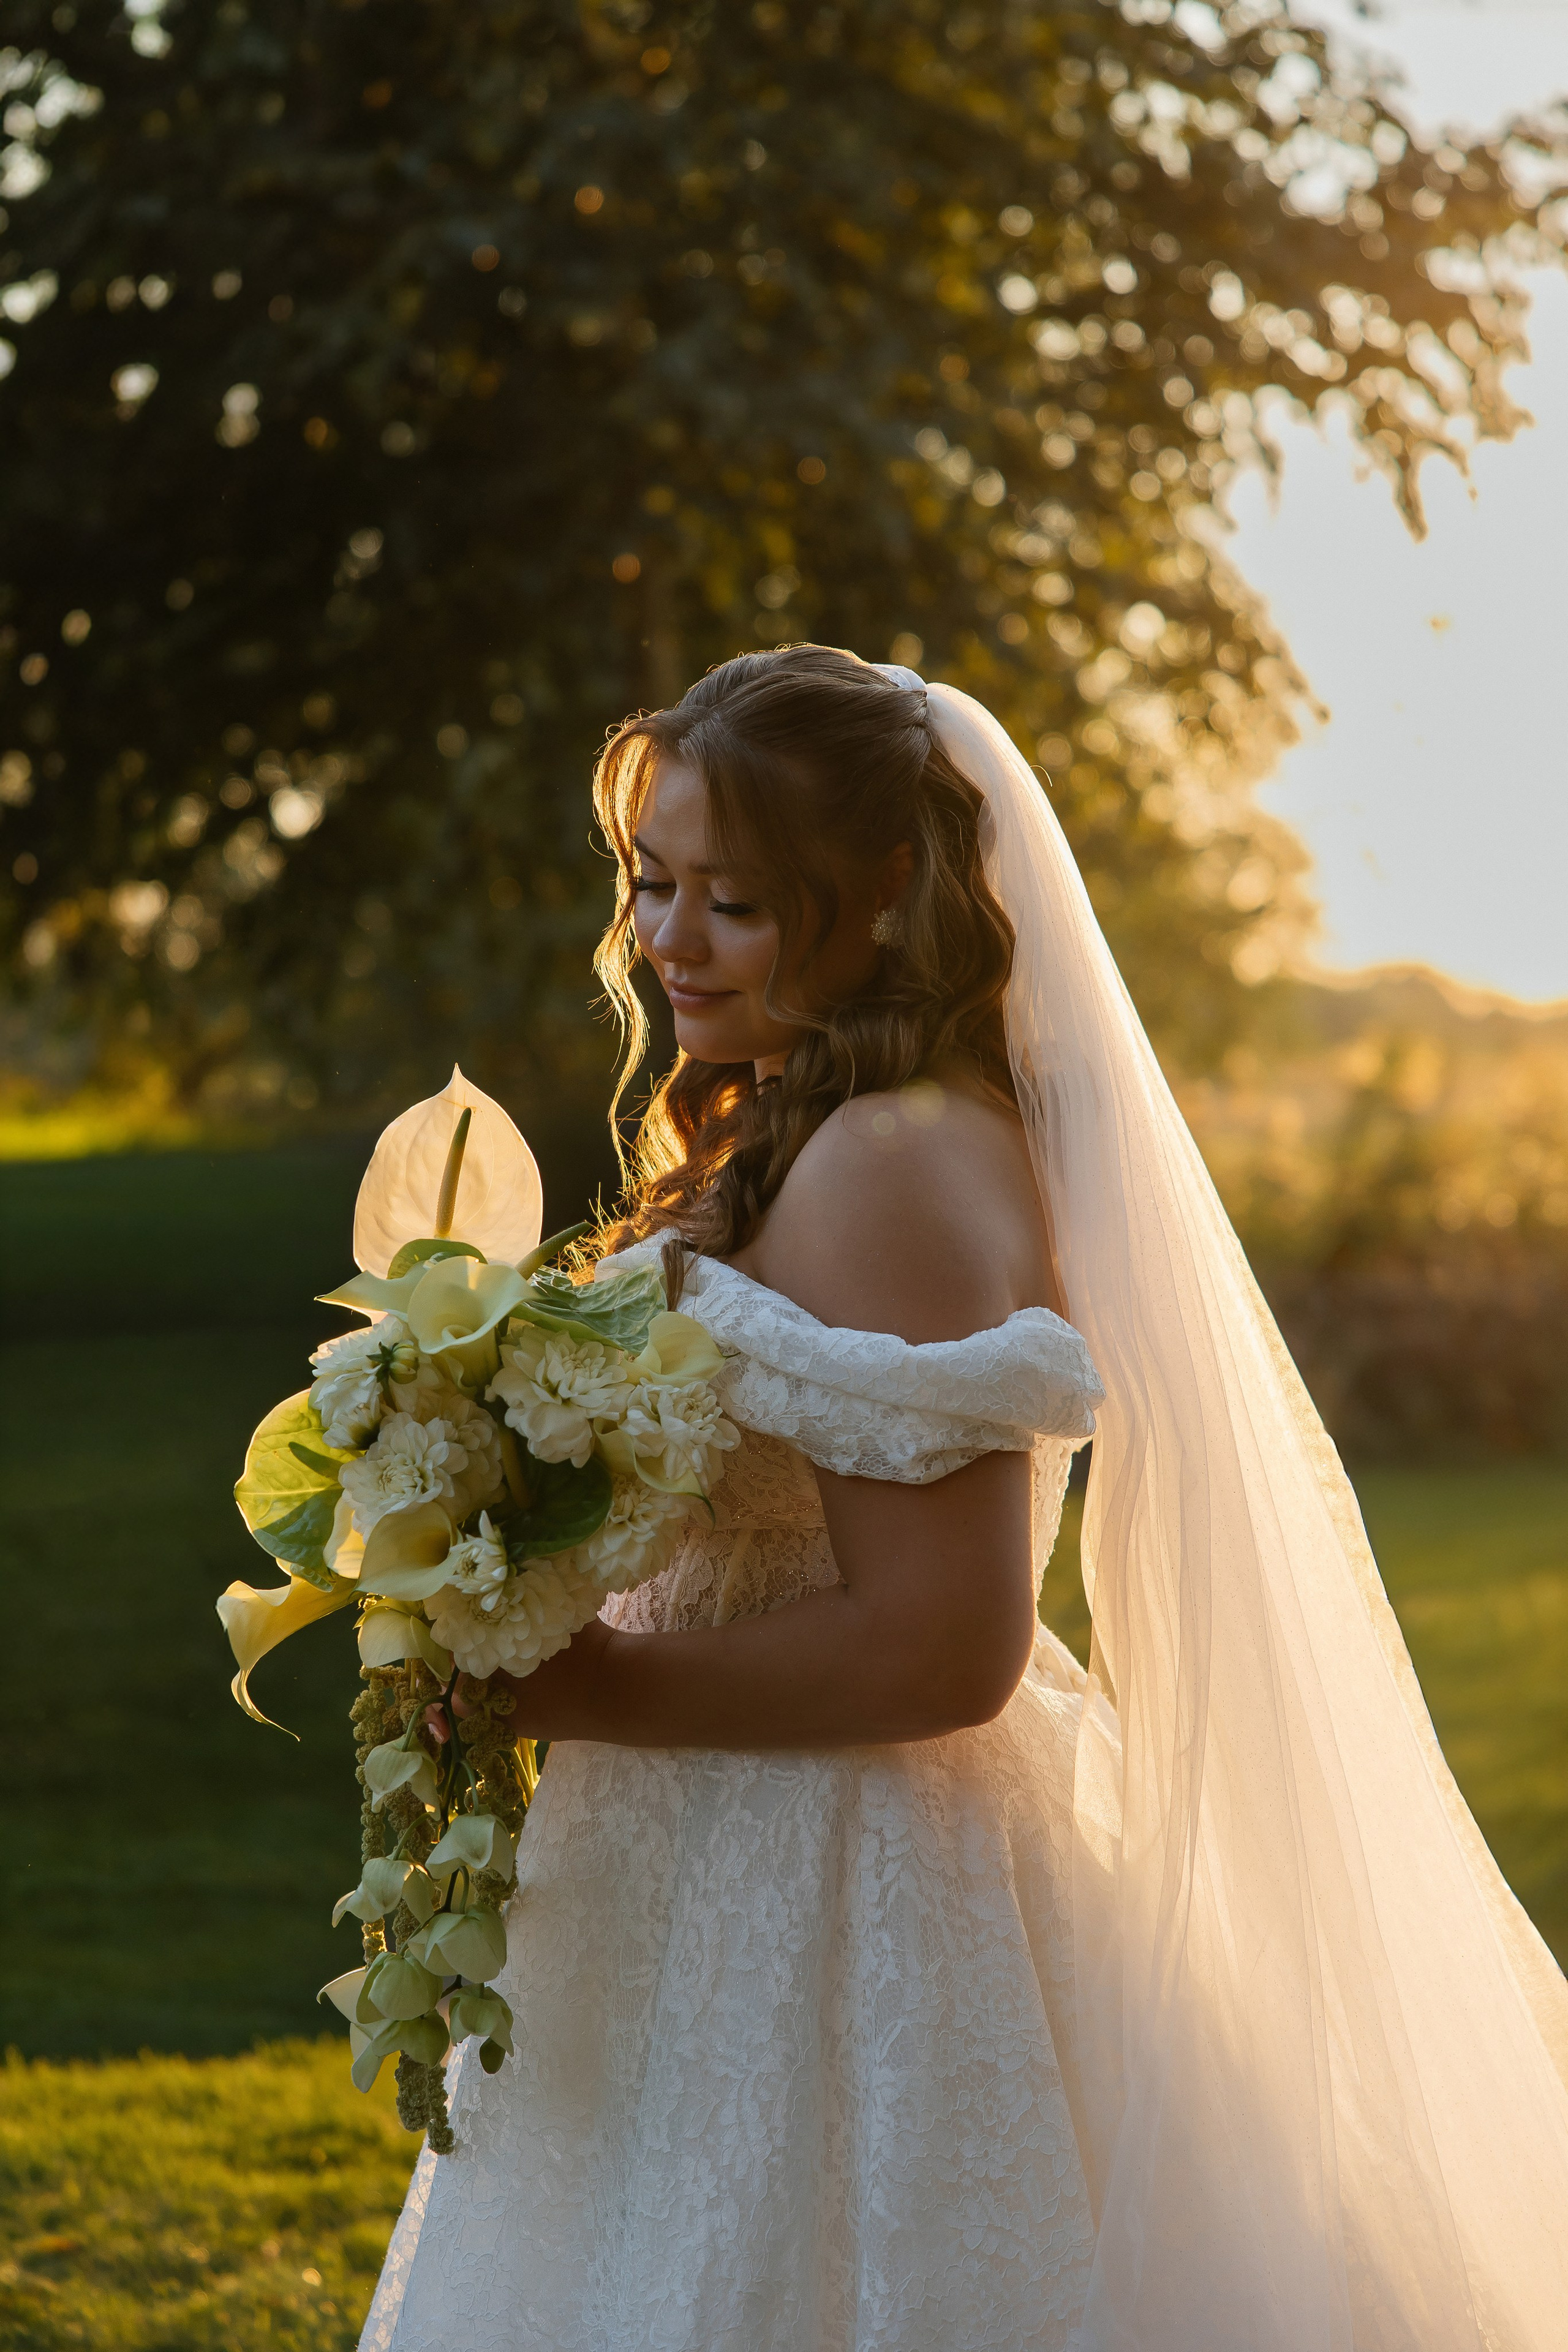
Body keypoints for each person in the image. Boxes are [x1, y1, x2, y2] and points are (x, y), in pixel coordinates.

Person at [361, 647, 1568, 2352]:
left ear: (888, 893)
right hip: (710, 1845)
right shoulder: (807, 1118)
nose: (668, 940)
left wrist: (576, 1681)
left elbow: (943, 1644)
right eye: (654, 883)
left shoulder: (893, 1159)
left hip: (847, 1888)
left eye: (737, 899)